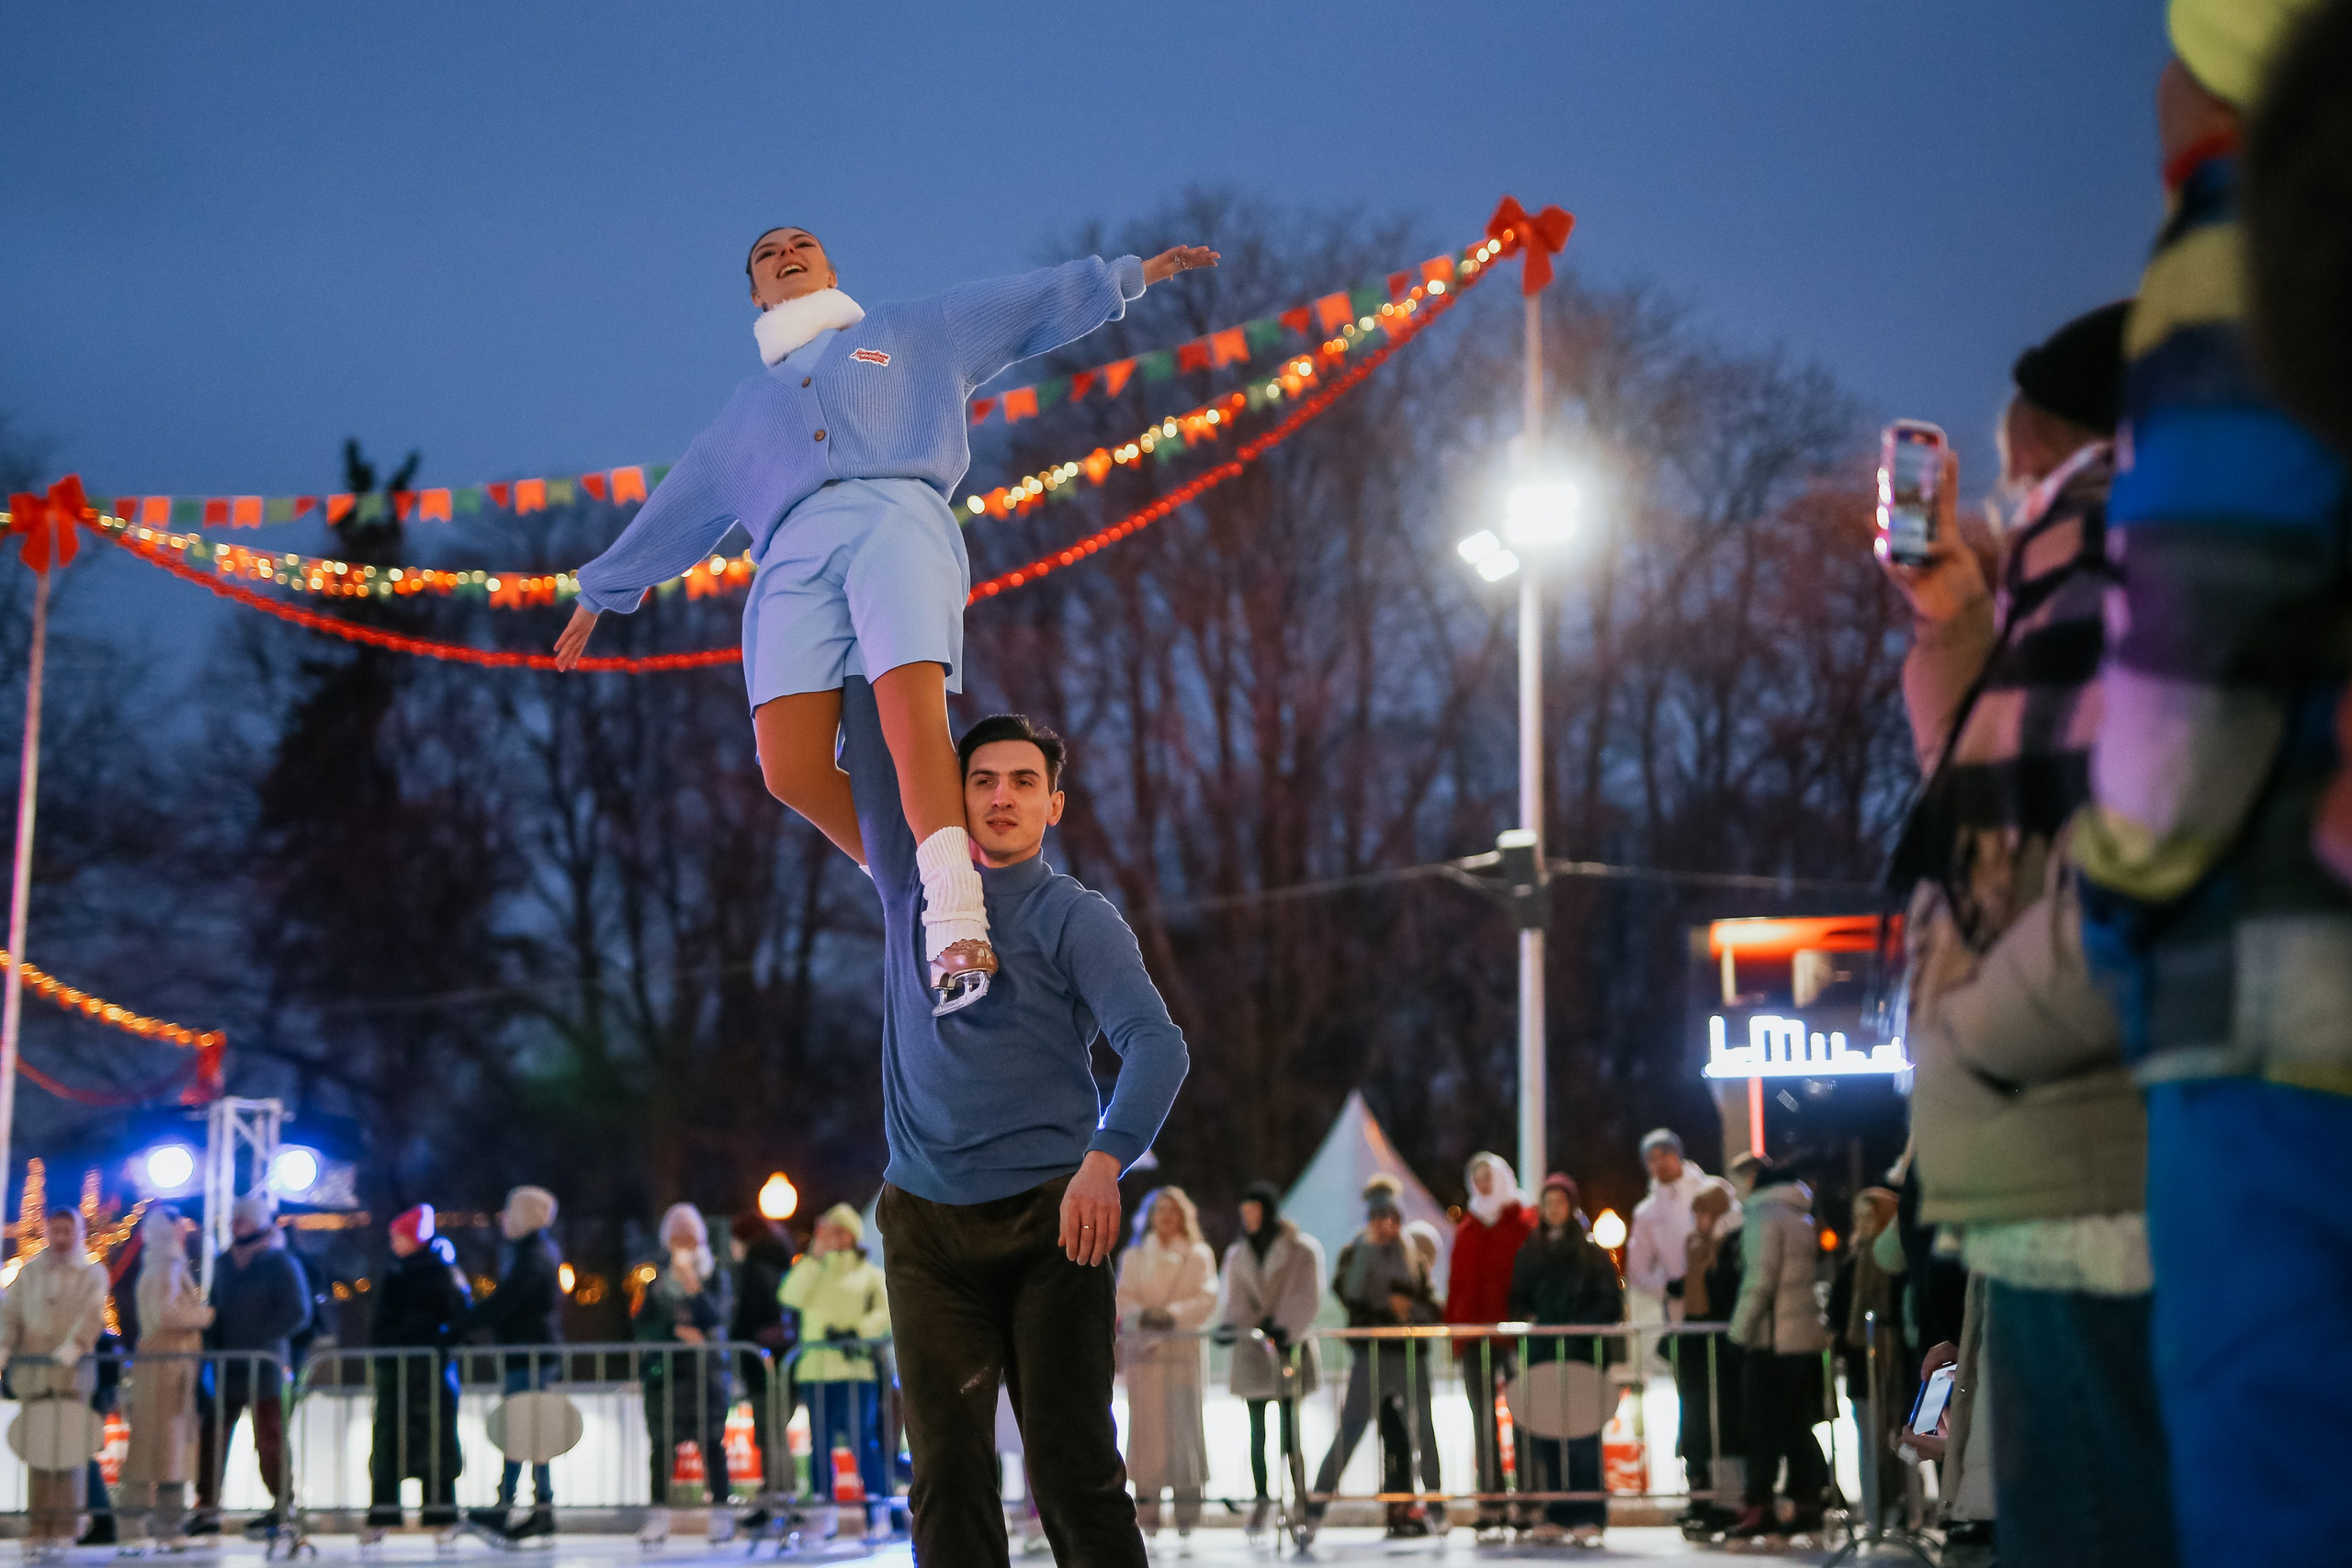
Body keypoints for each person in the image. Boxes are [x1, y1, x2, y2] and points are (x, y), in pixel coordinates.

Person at [554, 227, 1217, 1018]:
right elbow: (679, 506)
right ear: (757, 294)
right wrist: (602, 588)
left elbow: (1020, 306)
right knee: (787, 765)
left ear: (831, 268)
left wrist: (1128, 277)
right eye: (768, 253)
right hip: (790, 557)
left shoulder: (906, 331)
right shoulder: (743, 413)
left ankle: (956, 914)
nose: (787, 252)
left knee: (910, 718)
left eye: (802, 244)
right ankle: (917, 881)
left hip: (895, 518)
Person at [2064, 5, 2350, 1561]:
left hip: (2279, 1005)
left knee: (2280, 1486)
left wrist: (2120, 900)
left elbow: (2190, 656)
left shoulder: (2253, 249)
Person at [1882, 298, 2178, 1567]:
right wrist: (1956, 621)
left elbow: (2134, 859)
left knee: (2101, 1519)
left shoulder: (2132, 556)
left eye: (2020, 473)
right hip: (2064, 1150)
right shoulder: (2063, 588)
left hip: (2097, 1141)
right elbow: (1988, 811)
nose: (2010, 501)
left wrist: (1976, 1036)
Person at [838, 681, 1188, 1568]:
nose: (1002, 795)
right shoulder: (910, 884)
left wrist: (1105, 1160)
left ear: (1052, 806)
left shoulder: (1076, 916)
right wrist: (874, 626)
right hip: (926, 1226)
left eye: (1024, 781)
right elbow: (879, 729)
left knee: (1073, 1472)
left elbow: (1157, 1046)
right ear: (952, 794)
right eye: (982, 778)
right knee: (946, 1475)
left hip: (1053, 1224)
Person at [1301, 1190, 1443, 1544]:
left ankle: (1436, 1506)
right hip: (1372, 1354)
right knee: (1351, 1429)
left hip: (1408, 1353)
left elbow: (1430, 1305)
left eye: (1393, 1219)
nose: (1386, 1226)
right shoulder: (1356, 1253)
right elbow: (1349, 1294)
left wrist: (1408, 1310)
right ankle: (1315, 1508)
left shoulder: (1411, 1255)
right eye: (1379, 1218)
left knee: (1423, 1431)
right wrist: (1381, 1295)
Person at [1508, 1174, 1622, 1546]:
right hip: (1543, 1356)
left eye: (1559, 1202)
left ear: (1571, 1207)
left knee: (1584, 1436)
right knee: (1550, 1437)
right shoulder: (1531, 1251)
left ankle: (1589, 1512)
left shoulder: (1591, 1253)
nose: (1553, 1209)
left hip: (1582, 1355)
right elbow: (1517, 1298)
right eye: (1548, 1203)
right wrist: (1533, 1322)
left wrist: (1576, 1329)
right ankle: (1558, 1512)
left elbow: (1610, 1303)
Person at [191, 1195, 309, 1538]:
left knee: (269, 1436)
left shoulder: (280, 1262)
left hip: (265, 1364)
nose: (235, 1224)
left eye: (241, 1219)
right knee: (214, 1436)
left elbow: (298, 1310)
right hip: (228, 1365)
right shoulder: (224, 1263)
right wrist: (212, 1347)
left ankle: (282, 1505)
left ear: (257, 1223)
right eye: (234, 1219)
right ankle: (207, 1507)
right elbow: (216, 1307)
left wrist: (262, 1337)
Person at [1724, 1157, 1829, 1540]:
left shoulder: (1763, 1216)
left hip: (1770, 1340)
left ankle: (1760, 1507)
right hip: (1800, 1338)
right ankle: (1807, 1504)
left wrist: (1738, 1333)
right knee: (1796, 1427)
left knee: (1761, 1429)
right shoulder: (1801, 1216)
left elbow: (1760, 1279)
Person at [779, 1202, 897, 1539]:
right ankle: (823, 1512)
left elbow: (887, 1312)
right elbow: (789, 1295)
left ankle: (878, 1511)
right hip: (817, 1371)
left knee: (862, 1441)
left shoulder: (870, 1275)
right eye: (829, 1231)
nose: (834, 1237)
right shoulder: (814, 1270)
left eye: (840, 1231)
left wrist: (856, 1331)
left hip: (855, 1370)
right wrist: (813, 1258)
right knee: (820, 1443)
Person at [1214, 1180, 1322, 1540]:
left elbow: (1305, 1295)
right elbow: (1236, 1298)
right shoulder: (1238, 1254)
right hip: (1254, 1352)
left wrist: (1284, 1328)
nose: (1248, 1218)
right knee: (1256, 1432)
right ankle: (1263, 1500)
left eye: (1254, 1211)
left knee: (1291, 1434)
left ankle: (1299, 1500)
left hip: (1288, 1349)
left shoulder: (1301, 1250)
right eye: (1244, 1212)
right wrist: (1232, 1327)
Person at [2, 1207, 110, 1554]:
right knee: (38, 1451)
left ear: (78, 1233)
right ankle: (39, 1525)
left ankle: (66, 1525)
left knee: (68, 1454)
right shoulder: (30, 1273)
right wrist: (5, 1347)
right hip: (35, 1376)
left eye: (67, 1231)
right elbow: (10, 1313)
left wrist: (74, 1347)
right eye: (56, 1230)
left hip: (71, 1378)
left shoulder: (92, 1273)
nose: (61, 1238)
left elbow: (93, 1314)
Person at [1113, 1188, 1217, 1547]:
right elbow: (1123, 1296)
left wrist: (1172, 1315)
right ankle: (1148, 1514)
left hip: (1182, 1354)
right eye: (1160, 1210)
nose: (1166, 1217)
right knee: (1147, 1434)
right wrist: (1144, 1316)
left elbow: (1207, 1296)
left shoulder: (1198, 1255)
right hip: (1145, 1357)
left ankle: (1188, 1514)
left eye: (1173, 1211)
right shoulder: (1134, 1256)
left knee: (1184, 1430)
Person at [363, 1205, 471, 1541]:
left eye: (399, 1236)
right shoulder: (395, 1271)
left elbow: (460, 1318)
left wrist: (431, 1341)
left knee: (434, 1441)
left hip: (429, 1372)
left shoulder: (441, 1272)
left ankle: (440, 1515)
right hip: (398, 1371)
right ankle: (384, 1514)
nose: (393, 1242)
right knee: (389, 1443)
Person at [463, 1184, 563, 1542]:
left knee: (522, 1431)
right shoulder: (535, 1254)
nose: (504, 1218)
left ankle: (511, 1506)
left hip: (529, 1356)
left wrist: (462, 1322)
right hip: (530, 1354)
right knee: (529, 1432)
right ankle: (538, 1507)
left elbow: (506, 1303)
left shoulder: (532, 1258)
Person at [633, 1202, 734, 1546]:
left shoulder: (715, 1275)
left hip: (707, 1375)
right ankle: (658, 1518)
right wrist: (676, 1332)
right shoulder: (656, 1281)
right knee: (662, 1448)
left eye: (688, 1238)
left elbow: (718, 1317)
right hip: (667, 1376)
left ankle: (721, 1516)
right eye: (676, 1238)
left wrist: (693, 1286)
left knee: (712, 1444)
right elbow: (645, 1325)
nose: (682, 1245)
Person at [1442, 1151, 1532, 1540]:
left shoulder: (1521, 1222)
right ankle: (1491, 1500)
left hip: (1513, 1334)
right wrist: (1457, 1332)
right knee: (1482, 1419)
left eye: (1487, 1175)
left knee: (1524, 1415)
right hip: (1475, 1336)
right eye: (1476, 1177)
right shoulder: (1468, 1227)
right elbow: (1458, 1284)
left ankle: (1528, 1498)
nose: (1482, 1183)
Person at [121, 1207, 210, 1550]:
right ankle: (163, 1527)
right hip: (167, 1368)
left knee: (155, 1449)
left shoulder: (157, 1266)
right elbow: (166, 1314)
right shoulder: (167, 1267)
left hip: (163, 1367)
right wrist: (204, 1315)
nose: (183, 1232)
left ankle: (142, 1526)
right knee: (166, 1450)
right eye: (178, 1226)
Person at [1826, 1190, 1909, 1529]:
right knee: (1871, 1441)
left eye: (1869, 1216)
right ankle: (1877, 1510)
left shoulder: (1895, 1262)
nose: (1862, 1224)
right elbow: (1837, 1312)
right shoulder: (1852, 1264)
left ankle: (1899, 1507)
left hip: (1893, 1359)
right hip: (1864, 1362)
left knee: (1898, 1437)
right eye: (1858, 1216)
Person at [1667, 1177, 1745, 1533]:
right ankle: (1700, 1494)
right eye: (1696, 1213)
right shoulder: (1694, 1245)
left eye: (1705, 1213)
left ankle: (1725, 1500)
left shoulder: (1730, 1246)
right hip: (1696, 1344)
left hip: (1720, 1347)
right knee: (1695, 1423)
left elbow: (1725, 1290)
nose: (1699, 1220)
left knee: (1721, 1423)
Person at [727, 1210, 797, 1522]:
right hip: (785, 1361)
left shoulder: (754, 1269)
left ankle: (776, 1502)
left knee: (770, 1435)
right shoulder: (782, 1262)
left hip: (763, 1364)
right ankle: (782, 1499)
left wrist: (735, 1337)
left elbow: (749, 1315)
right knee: (776, 1434)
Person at [1625, 1129, 1710, 1326]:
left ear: (1678, 1154)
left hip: (1715, 1295)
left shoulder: (1710, 1191)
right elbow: (1637, 1268)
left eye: (1665, 1154)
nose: (1660, 1163)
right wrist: (1667, 1288)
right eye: (1652, 1159)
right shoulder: (1646, 1213)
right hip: (1678, 1307)